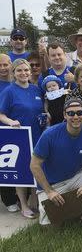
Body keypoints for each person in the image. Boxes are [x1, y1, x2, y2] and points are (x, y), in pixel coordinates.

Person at [30, 99, 82, 226]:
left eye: (80, 113)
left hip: (74, 177)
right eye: (71, 113)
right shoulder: (49, 134)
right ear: (65, 115)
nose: (75, 117)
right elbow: (34, 165)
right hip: (51, 185)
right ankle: (67, 208)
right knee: (49, 227)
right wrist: (49, 191)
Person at [0, 58, 45, 218]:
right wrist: (10, 121)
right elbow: (1, 114)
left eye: (26, 70)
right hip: (19, 137)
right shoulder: (9, 91)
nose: (23, 73)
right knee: (22, 171)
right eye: (19, 70)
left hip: (37, 135)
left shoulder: (35, 89)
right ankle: (24, 205)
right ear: (14, 73)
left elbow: (41, 109)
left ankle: (34, 200)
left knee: (36, 168)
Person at [0, 54, 19, 213]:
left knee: (16, 164)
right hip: (2, 130)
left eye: (5, 65)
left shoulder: (16, 82)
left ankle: (19, 197)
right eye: (0, 65)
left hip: (17, 131)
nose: (3, 68)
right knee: (5, 166)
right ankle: (8, 199)